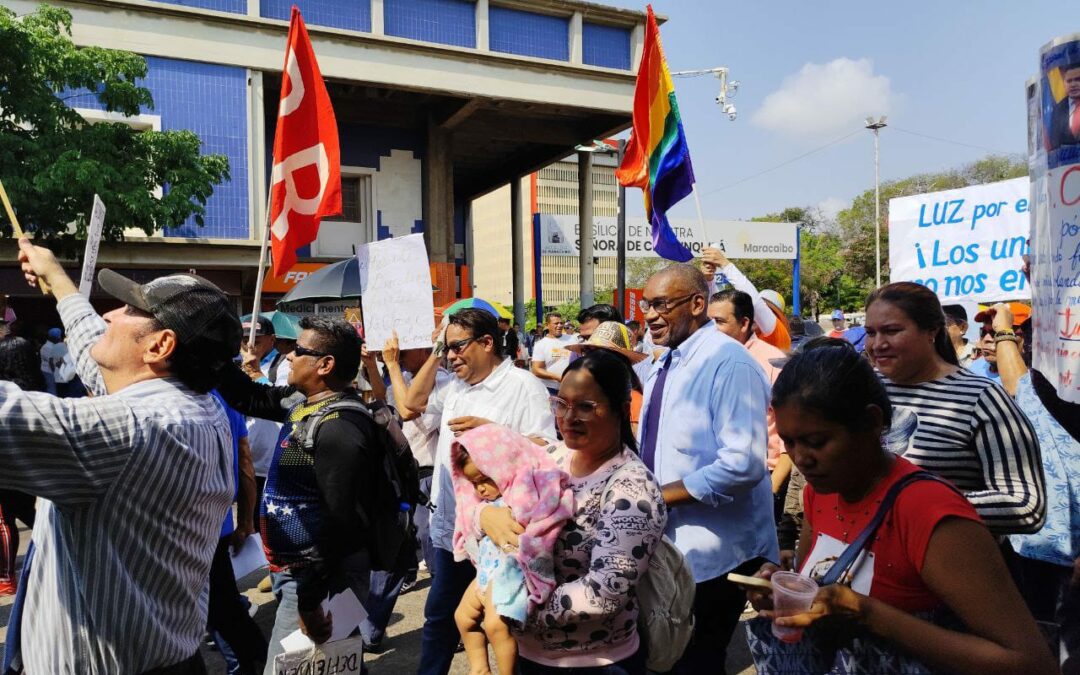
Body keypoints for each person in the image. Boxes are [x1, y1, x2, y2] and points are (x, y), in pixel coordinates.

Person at [745, 339, 1056, 675]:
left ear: (871, 422)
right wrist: (787, 592)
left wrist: (867, 613)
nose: (802, 458)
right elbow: (821, 594)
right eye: (789, 442)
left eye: (817, 442)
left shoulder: (929, 512)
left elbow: (1030, 662)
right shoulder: (821, 492)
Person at [5, 239, 241, 674]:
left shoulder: (132, 428)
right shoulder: (196, 405)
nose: (109, 314)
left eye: (130, 310)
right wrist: (58, 280)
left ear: (159, 346)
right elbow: (102, 357)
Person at [218, 317, 389, 673]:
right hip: (300, 571)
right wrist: (213, 352)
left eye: (300, 350)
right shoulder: (303, 402)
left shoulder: (340, 428)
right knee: (332, 660)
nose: (290, 355)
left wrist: (310, 602)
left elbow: (339, 522)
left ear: (325, 365)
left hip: (322, 577)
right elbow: (250, 396)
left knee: (289, 667)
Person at [480, 351, 667, 674]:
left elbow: (603, 593)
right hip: (530, 655)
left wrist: (513, 605)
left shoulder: (632, 489)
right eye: (561, 403)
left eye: (585, 407)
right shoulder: (550, 456)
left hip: (595, 662)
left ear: (621, 411)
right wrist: (485, 517)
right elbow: (488, 499)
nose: (568, 417)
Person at [637, 264, 778, 673]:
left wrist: (658, 497)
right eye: (647, 305)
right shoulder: (665, 363)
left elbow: (742, 464)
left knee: (696, 664)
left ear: (698, 303)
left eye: (661, 304)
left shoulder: (728, 364)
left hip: (715, 557)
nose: (649, 315)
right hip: (670, 549)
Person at [403, 308, 556, 675]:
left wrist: (493, 432)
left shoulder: (523, 386)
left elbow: (547, 450)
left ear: (487, 342)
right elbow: (410, 405)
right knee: (442, 616)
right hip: (454, 524)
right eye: (446, 348)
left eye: (457, 347)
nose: (451, 356)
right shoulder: (454, 385)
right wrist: (439, 349)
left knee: (501, 621)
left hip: (499, 531)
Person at [864, 282, 1044, 535]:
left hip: (951, 565)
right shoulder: (863, 387)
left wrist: (917, 505)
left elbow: (1027, 507)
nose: (878, 344)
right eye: (870, 333)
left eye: (892, 331)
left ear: (932, 332)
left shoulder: (982, 398)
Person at [989, 301, 1080, 664]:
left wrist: (1005, 329)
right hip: (1034, 548)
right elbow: (1018, 383)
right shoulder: (1039, 388)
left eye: (1030, 332)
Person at [451, 425, 574, 675]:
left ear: (504, 467)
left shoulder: (525, 491)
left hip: (510, 572)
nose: (481, 489)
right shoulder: (483, 504)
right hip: (487, 571)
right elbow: (468, 521)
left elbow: (541, 521)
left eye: (485, 479)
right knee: (461, 617)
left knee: (495, 625)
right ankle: (479, 668)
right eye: (474, 483)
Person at [707, 289, 790, 516]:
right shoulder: (705, 359)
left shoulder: (772, 362)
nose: (711, 329)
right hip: (716, 482)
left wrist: (771, 489)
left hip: (764, 482)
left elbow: (788, 438)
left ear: (744, 323)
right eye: (708, 321)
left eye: (719, 321)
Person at [205, 389, 267, 675]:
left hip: (191, 528)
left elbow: (244, 458)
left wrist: (244, 521)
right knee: (222, 606)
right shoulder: (224, 396)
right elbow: (245, 460)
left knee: (219, 610)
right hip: (217, 525)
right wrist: (244, 521)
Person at [0, 337, 44, 596]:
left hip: (6, 466)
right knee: (25, 512)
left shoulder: (6, 392)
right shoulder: (37, 387)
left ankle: (6, 576)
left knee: (4, 519)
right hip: (30, 467)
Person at [701, 246, 791, 351]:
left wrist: (725, 264)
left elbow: (755, 303)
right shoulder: (741, 338)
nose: (755, 315)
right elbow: (719, 310)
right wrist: (709, 280)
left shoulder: (778, 336)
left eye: (766, 310)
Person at [565, 321, 647, 436]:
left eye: (599, 353)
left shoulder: (633, 401)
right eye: (587, 351)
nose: (590, 358)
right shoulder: (585, 393)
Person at [968, 302, 1031, 388]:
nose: (987, 339)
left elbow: (1019, 391)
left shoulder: (1037, 380)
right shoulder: (975, 367)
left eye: (997, 333)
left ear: (1027, 337)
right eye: (983, 332)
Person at [531, 313, 575, 392]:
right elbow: (536, 369)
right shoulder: (541, 344)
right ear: (547, 325)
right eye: (556, 323)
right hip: (551, 389)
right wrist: (557, 377)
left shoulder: (572, 339)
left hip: (572, 387)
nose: (560, 325)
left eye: (561, 323)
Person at [1049, 61, 1080, 149]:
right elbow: (1054, 142)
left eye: (1078, 79)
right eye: (1069, 81)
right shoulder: (1057, 109)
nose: (1073, 84)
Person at [38, 326, 66, 394]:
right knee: (52, 391)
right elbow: (52, 363)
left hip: (55, 372)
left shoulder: (54, 345)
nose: (59, 338)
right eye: (57, 337)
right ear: (51, 338)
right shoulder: (47, 347)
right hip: (49, 373)